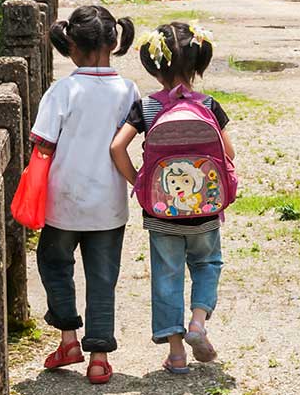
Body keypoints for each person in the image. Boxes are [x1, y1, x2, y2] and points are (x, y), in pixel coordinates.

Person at [110, 23, 234, 375]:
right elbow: (229, 154)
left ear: (154, 65)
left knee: (167, 276)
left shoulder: (147, 107)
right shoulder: (208, 105)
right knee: (207, 263)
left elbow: (117, 147)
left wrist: (141, 183)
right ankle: (198, 322)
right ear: (198, 63)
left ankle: (176, 353)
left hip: (161, 212)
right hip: (205, 211)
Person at [32, 6, 138, 385]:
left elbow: (43, 144)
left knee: (53, 262)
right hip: (109, 204)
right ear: (113, 42)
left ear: (71, 46)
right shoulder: (128, 90)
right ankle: (98, 359)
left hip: (64, 201)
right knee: (103, 278)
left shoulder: (63, 90)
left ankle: (68, 339)